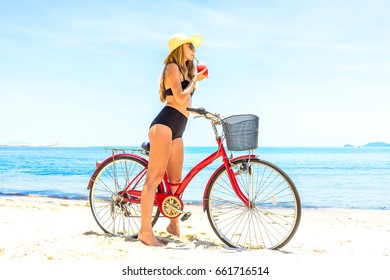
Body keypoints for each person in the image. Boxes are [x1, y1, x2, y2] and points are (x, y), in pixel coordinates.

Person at [138, 33, 208, 246]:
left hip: (178, 128)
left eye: (195, 47)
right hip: (164, 125)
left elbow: (185, 102)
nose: (194, 50)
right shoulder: (171, 68)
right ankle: (145, 232)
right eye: (191, 46)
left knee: (176, 182)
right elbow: (178, 98)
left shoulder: (184, 71)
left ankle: (173, 224)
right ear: (180, 48)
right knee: (154, 179)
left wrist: (196, 77)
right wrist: (196, 79)